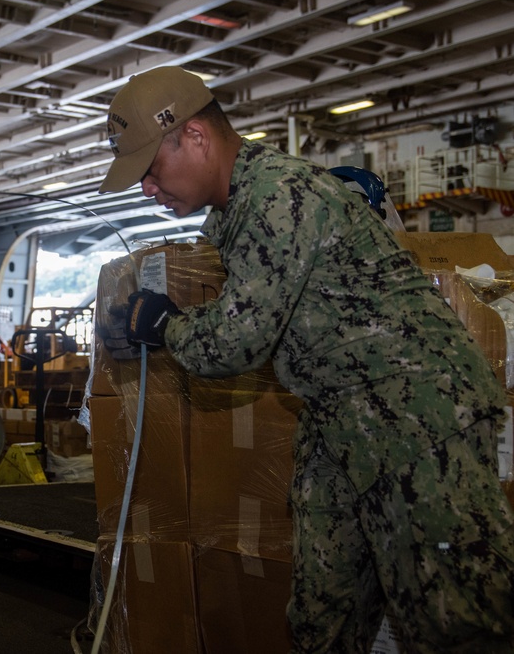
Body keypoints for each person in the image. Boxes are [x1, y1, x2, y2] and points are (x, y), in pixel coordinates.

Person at [100, 66, 514, 653]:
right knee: (323, 617)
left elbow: (237, 340)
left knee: (458, 620)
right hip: (340, 417)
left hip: (417, 414)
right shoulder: (237, 213)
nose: (146, 188)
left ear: (194, 137)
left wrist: (164, 324)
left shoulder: (280, 196)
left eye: (149, 169)